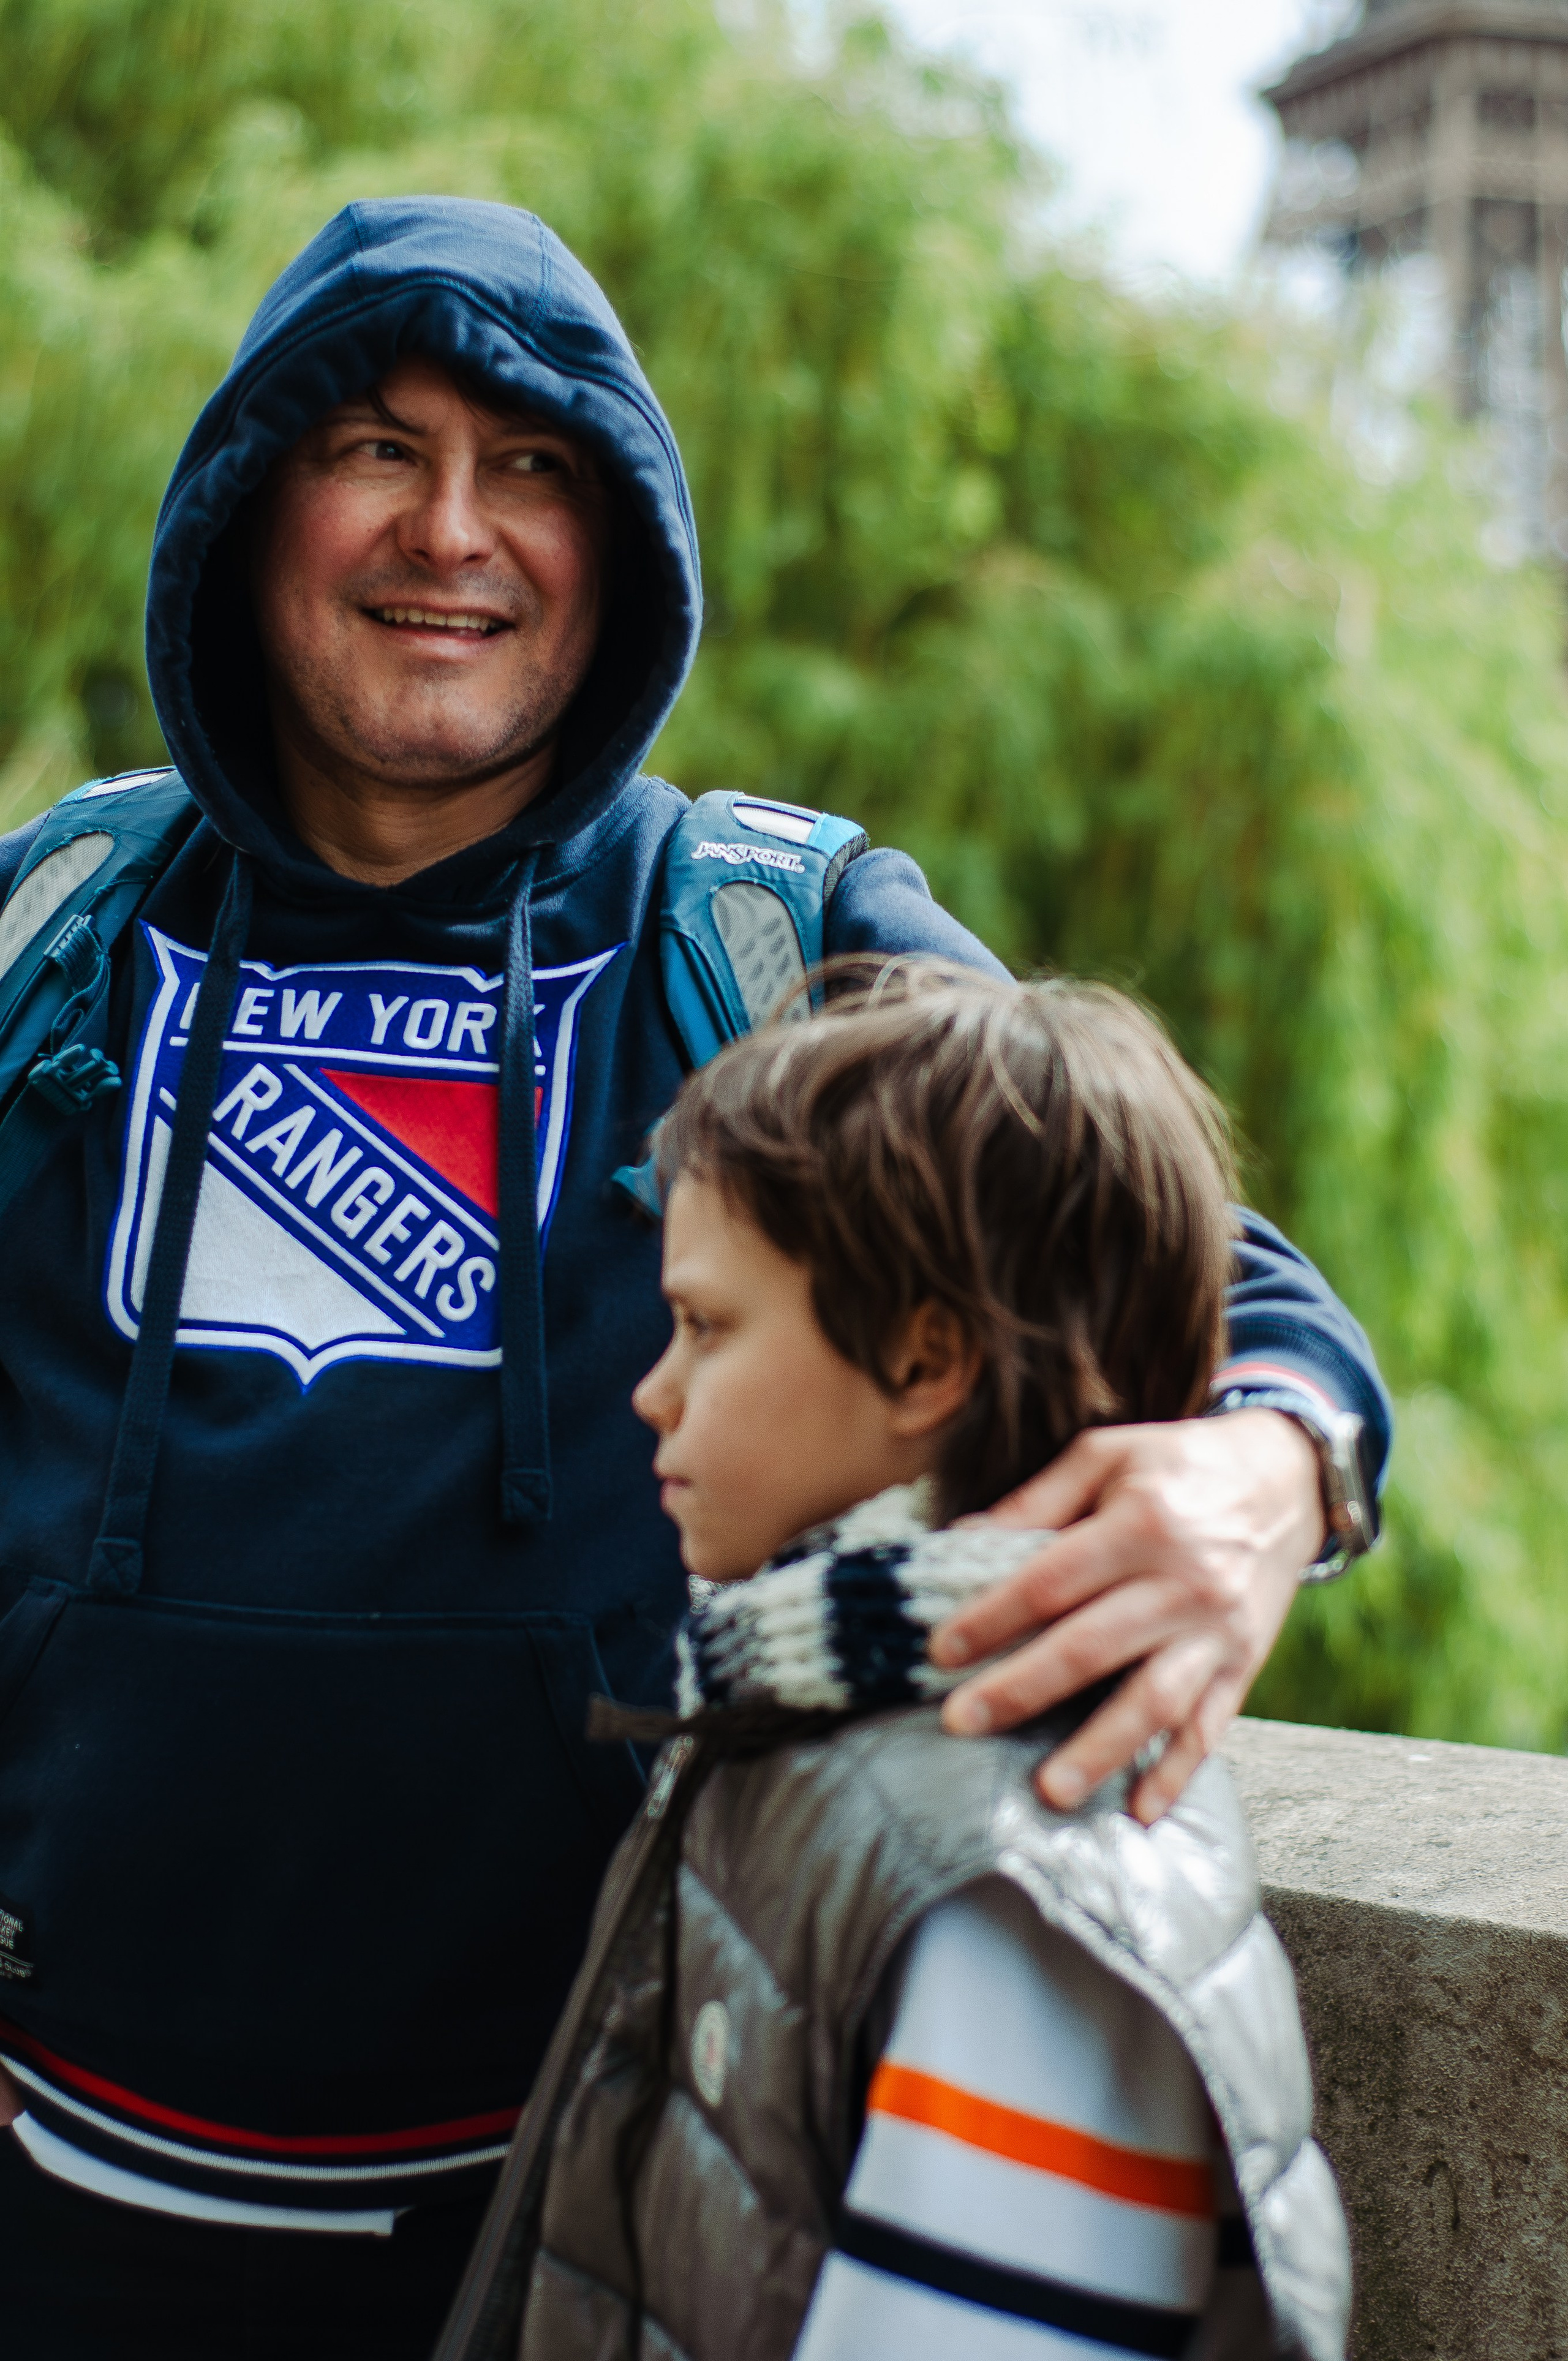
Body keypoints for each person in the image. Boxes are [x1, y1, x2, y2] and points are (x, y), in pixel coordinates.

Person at [0, 197, 1384, 2358]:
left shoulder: (757, 927)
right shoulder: (60, 920)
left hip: (567, 2213)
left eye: (533, 466)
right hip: (52, 2195)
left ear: (619, 537)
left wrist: (1271, 1470)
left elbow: (1175, 1257)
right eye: (374, 447)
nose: (452, 530)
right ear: (248, 501)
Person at [436, 963, 1349, 2361]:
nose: (651, 1388)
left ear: (925, 1362)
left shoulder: (1005, 1873)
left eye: (706, 1325)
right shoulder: (809, 1714)